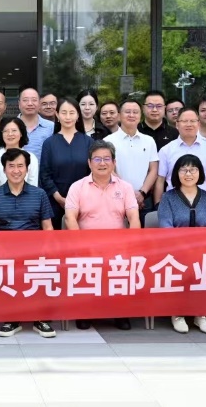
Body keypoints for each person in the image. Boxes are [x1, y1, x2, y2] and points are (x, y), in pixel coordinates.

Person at [64, 140, 139, 331]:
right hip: (86, 247)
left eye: (107, 159)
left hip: (118, 248)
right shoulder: (77, 187)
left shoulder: (125, 187)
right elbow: (70, 218)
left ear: (114, 162)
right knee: (85, 269)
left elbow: (133, 217)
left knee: (120, 270)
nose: (102, 163)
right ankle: (85, 312)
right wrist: (80, 245)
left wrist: (133, 244)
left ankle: (119, 313)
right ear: (89, 163)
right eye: (97, 159)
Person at [0, 148, 56, 339]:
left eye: (20, 166)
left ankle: (40, 318)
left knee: (42, 269)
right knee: (6, 270)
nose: (16, 171)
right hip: (4, 253)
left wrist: (45, 250)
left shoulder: (39, 194)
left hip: (35, 252)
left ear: (27, 169)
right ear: (4, 169)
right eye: (11, 166)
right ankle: (11, 319)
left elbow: (48, 227)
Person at [156, 154, 206, 335]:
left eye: (193, 169)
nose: (188, 174)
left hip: (202, 250)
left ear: (200, 173)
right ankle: (178, 313)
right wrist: (184, 247)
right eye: (184, 170)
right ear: (176, 173)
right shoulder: (168, 197)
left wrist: (199, 247)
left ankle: (200, 314)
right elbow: (166, 226)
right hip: (174, 251)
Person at [40, 99, 93, 230]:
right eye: (64, 113)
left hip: (85, 201)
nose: (68, 117)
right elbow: (45, 174)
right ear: (57, 115)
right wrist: (58, 198)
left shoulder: (89, 142)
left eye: (72, 113)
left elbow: (93, 173)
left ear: (78, 115)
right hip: (55, 202)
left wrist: (79, 199)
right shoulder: (49, 143)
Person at [104, 99, 159, 224]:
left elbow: (154, 169)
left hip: (144, 199)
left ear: (140, 116)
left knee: (145, 234)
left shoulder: (149, 141)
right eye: (127, 112)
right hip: (117, 197)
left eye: (135, 112)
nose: (131, 115)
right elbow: (108, 170)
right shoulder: (108, 141)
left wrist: (142, 193)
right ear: (119, 116)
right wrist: (128, 193)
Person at [155, 108, 206, 206]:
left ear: (198, 124)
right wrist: (158, 206)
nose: (189, 124)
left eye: (192, 121)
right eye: (184, 121)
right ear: (177, 124)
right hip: (173, 204)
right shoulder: (166, 150)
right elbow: (160, 181)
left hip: (202, 204)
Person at [0, 117, 40, 192]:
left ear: (21, 133)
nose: (10, 134)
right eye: (6, 131)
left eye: (14, 130)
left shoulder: (31, 158)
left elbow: (33, 186)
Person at [17, 88, 54, 163]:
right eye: (25, 100)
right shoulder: (10, 126)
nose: (30, 103)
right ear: (19, 104)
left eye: (34, 100)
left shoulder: (51, 127)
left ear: (39, 104)